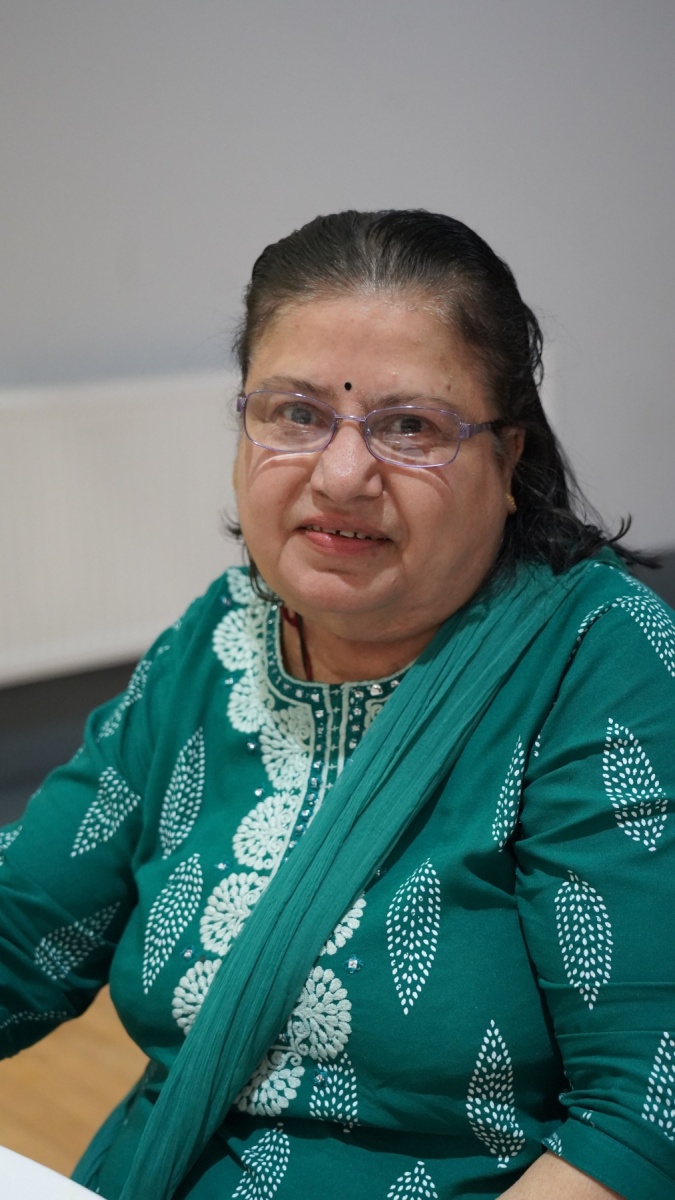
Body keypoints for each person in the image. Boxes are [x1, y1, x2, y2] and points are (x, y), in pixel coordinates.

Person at [1, 209, 674, 1200]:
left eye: (411, 426)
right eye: (295, 413)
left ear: (506, 458)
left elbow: (646, 1112)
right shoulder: (219, 638)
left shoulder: (596, 663)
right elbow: (22, 933)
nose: (344, 474)